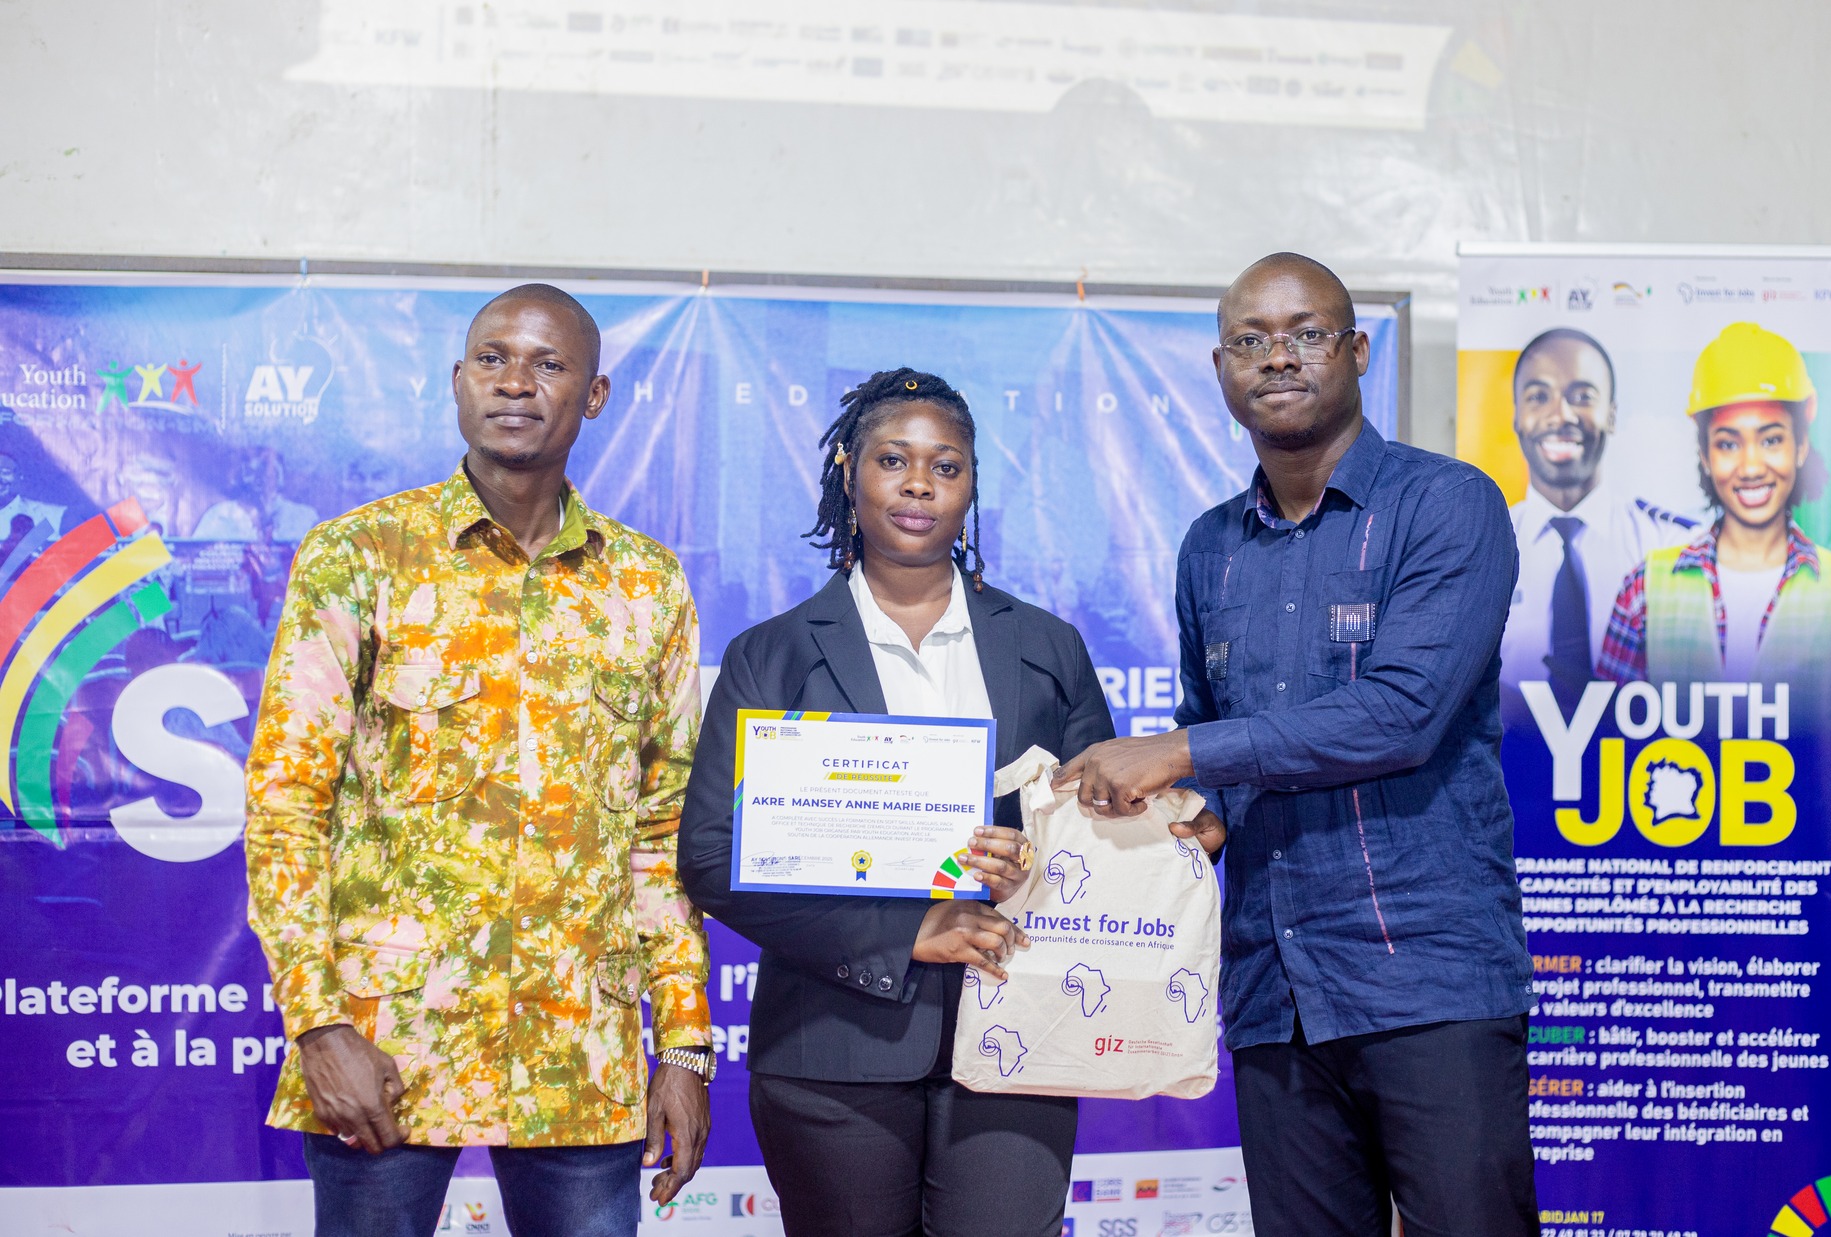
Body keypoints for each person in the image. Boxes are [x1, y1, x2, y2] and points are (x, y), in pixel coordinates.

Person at [1055, 253, 1538, 1237]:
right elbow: (1220, 743)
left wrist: (1180, 752)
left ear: (1355, 350)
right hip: (1273, 992)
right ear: (1220, 368)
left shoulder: (1446, 504)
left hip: (1423, 975)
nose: (1277, 358)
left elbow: (1401, 714)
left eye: (1305, 334)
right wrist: (1189, 819)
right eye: (1250, 340)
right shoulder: (1210, 547)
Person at [677, 368, 1217, 1237]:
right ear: (850, 472)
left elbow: (1094, 827)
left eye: (947, 465)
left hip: (1021, 1026)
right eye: (893, 459)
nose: (920, 484)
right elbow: (711, 856)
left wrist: (1122, 842)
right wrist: (903, 934)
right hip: (831, 1048)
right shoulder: (771, 656)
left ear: (970, 487)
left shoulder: (1048, 647)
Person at [243, 284, 714, 1237]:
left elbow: (661, 831)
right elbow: (286, 805)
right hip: (386, 1043)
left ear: (594, 395)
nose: (515, 383)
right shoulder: (360, 555)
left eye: (549, 364)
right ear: (458, 380)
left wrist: (685, 1044)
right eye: (493, 359)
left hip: (577, 1049)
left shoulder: (646, 584)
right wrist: (319, 1025)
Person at [1597, 321, 1831, 734]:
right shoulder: (1642, 591)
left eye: (1771, 440)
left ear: (1801, 445)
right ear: (1704, 454)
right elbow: (1607, 745)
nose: (1751, 467)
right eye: (1728, 444)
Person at [1497, 328, 1694, 720]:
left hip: (1638, 755)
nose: (1561, 415)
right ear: (1517, 416)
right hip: (1512, 757)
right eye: (1539, 397)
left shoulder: (1668, 546)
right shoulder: (1484, 548)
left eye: (1582, 396)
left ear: (1612, 415)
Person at [194, 445, 320, 543]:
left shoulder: (304, 517)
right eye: (253, 470)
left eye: (266, 467)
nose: (261, 478)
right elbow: (195, 557)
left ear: (279, 475)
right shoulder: (219, 516)